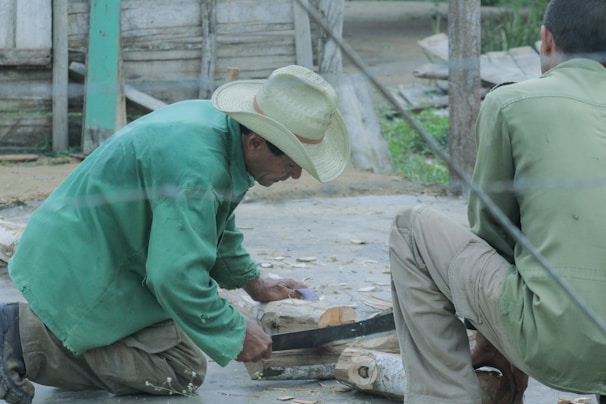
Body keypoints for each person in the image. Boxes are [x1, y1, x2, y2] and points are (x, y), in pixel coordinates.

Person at [0, 64, 350, 404]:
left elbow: (215, 221)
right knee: (179, 369)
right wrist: (235, 330)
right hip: (79, 266)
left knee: (181, 343)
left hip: (95, 252)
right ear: (257, 143)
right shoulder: (197, 165)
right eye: (291, 165)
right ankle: (18, 338)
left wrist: (254, 282)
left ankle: (48, 338)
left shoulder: (224, 134)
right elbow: (173, 276)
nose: (295, 177)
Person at [388, 0, 606, 403]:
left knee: (410, 228)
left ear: (546, 40)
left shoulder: (511, 103)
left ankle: (447, 396)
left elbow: (494, 236)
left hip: (557, 343)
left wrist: (494, 335)